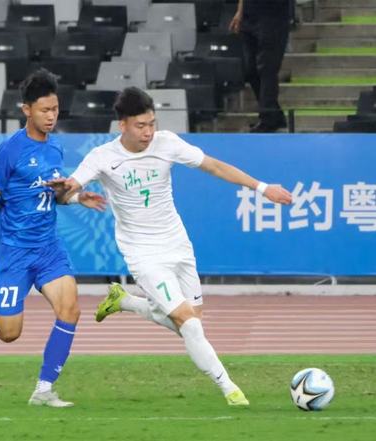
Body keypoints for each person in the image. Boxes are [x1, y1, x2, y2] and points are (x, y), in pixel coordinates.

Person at [48, 87, 293, 405]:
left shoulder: (167, 143)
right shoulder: (102, 157)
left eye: (152, 123)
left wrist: (262, 188)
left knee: (191, 321)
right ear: (122, 125)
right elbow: (66, 191)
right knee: (188, 324)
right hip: (142, 253)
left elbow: (214, 166)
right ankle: (230, 388)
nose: (148, 132)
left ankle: (126, 302)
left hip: (177, 244)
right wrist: (68, 191)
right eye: (140, 125)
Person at [0, 69, 106, 408]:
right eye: (45, 110)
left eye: (55, 109)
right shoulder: (9, 151)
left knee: (70, 309)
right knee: (9, 333)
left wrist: (76, 197)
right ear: (27, 110)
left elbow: (53, 195)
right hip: (15, 252)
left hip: (49, 248)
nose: (52, 116)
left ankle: (44, 389)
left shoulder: (55, 147)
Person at [230, 0, 291, 133]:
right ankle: (275, 115)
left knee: (267, 68)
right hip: (249, 16)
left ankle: (268, 118)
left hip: (273, 17)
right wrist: (240, 11)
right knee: (250, 70)